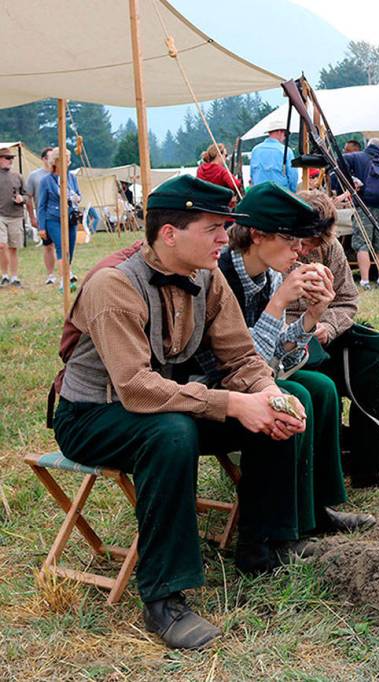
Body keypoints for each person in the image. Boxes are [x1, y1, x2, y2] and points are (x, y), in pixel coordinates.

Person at [52, 176, 307, 650]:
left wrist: (268, 393)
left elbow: (240, 357)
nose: (222, 239)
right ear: (170, 233)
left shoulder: (207, 277)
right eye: (213, 228)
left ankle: (265, 543)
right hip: (92, 415)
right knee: (170, 434)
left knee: (274, 407)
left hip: (162, 402)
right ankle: (165, 599)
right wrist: (232, 402)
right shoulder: (113, 284)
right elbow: (136, 388)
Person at [215, 182, 376, 536]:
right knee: (300, 395)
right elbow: (244, 363)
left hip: (251, 376)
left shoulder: (269, 275)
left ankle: (318, 508)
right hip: (218, 385)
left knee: (321, 387)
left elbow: (278, 358)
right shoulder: (221, 276)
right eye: (292, 242)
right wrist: (279, 305)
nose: (299, 252)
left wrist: (313, 315)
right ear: (257, 235)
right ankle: (283, 528)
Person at [285, 190, 379, 488]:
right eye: (302, 241)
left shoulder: (329, 248)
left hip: (326, 340)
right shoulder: (272, 248)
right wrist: (299, 327)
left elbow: (346, 300)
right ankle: (328, 461)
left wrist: (327, 327)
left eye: (313, 243)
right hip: (283, 352)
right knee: (317, 388)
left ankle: (369, 462)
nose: (305, 250)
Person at [343, 137, 379, 289]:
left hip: (362, 207)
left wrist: (351, 180)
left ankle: (364, 280)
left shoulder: (356, 157)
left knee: (362, 244)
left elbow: (338, 161)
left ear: (367, 146)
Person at [36, 148, 82, 291]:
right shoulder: (46, 181)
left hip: (71, 218)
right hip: (53, 219)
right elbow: (41, 205)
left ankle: (66, 275)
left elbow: (79, 195)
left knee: (71, 250)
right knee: (62, 248)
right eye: (65, 159)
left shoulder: (72, 178)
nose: (68, 161)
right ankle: (65, 280)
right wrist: (41, 226)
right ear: (55, 161)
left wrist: (77, 198)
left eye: (68, 158)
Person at [25, 148, 59, 284]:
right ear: (44, 159)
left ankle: (66, 272)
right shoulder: (34, 176)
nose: (52, 160)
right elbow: (28, 197)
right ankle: (50, 275)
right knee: (48, 245)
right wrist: (32, 217)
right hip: (44, 216)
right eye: (51, 157)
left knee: (63, 244)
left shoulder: (59, 174)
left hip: (59, 215)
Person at [0, 147, 27, 287]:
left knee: (13, 248)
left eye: (12, 158)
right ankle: (4, 275)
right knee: (1, 244)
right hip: (0, 216)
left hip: (16, 215)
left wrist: (22, 198)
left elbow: (27, 195)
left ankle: (14, 277)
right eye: (7, 158)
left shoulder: (18, 176)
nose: (10, 160)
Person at [249, 120, 298, 191]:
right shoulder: (286, 151)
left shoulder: (255, 150)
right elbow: (293, 177)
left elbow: (252, 175)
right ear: (279, 132)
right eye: (285, 134)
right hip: (279, 195)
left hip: (259, 194)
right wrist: (292, 193)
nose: (285, 137)